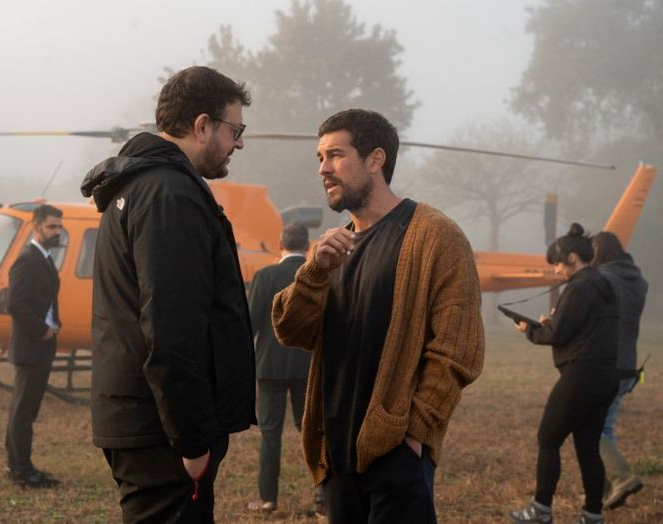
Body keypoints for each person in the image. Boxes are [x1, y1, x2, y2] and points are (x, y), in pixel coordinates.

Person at [271, 109, 485, 524]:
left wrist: (414, 432)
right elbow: (290, 330)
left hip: (396, 454)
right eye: (320, 158)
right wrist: (313, 273)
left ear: (375, 159)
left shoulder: (435, 235)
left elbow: (458, 349)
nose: (323, 169)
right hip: (336, 455)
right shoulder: (332, 248)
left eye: (336, 155)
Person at [80, 66, 256, 524]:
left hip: (143, 419)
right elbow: (171, 326)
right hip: (161, 431)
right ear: (202, 126)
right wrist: (191, 439)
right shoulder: (170, 196)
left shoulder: (140, 187)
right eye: (235, 131)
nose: (238, 144)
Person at [508, 223, 620, 524]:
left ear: (572, 258)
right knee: (588, 447)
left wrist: (530, 329)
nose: (556, 270)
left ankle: (540, 510)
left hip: (582, 374)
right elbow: (581, 328)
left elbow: (558, 333)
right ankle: (592, 515)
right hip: (606, 375)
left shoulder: (580, 286)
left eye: (557, 264)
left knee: (548, 437)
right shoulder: (603, 284)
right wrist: (552, 324)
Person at [245, 223, 318, 515]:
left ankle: (268, 499)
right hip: (307, 366)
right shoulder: (316, 275)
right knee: (312, 431)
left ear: (280, 244)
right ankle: (323, 497)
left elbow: (250, 324)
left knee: (270, 434)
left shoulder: (264, 276)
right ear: (308, 246)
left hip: (269, 366)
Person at [5, 204, 63, 488]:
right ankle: (22, 471)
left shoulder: (44, 258)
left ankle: (18, 466)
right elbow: (15, 304)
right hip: (31, 347)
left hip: (40, 347)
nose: (56, 232)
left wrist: (55, 325)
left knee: (24, 411)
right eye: (51, 226)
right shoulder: (27, 260)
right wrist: (43, 330)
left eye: (59, 227)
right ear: (36, 226)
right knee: (23, 413)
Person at [592, 231, 647, 509]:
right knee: (605, 427)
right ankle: (604, 492)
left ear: (599, 252)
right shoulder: (639, 281)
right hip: (628, 365)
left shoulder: (603, 280)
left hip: (605, 363)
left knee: (589, 428)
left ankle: (621, 477)